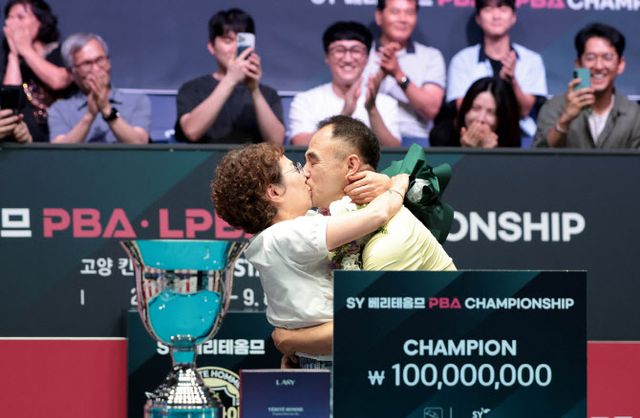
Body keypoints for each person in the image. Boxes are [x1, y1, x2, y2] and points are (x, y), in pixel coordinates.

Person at [271, 115, 456, 365]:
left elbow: (368, 329)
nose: (304, 173)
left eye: (313, 162)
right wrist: (305, 354)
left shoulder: (389, 239)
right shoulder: (323, 225)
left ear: (351, 166)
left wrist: (291, 340)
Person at [211, 141, 409, 368]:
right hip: (337, 363)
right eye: (295, 168)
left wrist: (296, 344)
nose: (305, 173)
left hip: (318, 358)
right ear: (274, 192)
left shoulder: (274, 237)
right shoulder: (288, 235)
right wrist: (398, 184)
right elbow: (377, 215)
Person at [175, 8, 284, 145]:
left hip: (252, 159)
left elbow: (276, 143)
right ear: (212, 46)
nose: (235, 49)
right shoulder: (193, 89)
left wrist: (254, 90)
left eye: (241, 42)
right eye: (228, 41)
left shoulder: (268, 94)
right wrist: (230, 79)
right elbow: (192, 131)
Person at [289, 21, 401, 147]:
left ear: (367, 58)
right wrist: (344, 114)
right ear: (327, 56)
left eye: (356, 50)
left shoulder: (386, 103)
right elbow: (300, 146)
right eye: (339, 50)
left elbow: (394, 151)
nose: (348, 59)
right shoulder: (306, 101)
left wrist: (372, 109)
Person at [446, 0, 547, 139]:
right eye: (488, 9)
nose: (496, 16)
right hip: (476, 131)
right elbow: (463, 108)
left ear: (513, 17)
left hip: (519, 135)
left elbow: (524, 110)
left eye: (502, 8)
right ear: (478, 18)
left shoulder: (531, 60)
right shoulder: (462, 60)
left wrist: (512, 81)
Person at [533, 23, 640, 149]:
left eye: (607, 57)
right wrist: (565, 120)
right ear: (578, 64)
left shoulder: (634, 114)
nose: (599, 66)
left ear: (620, 65)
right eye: (590, 57)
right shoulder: (554, 107)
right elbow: (539, 156)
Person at [365, 0, 446, 145]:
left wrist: (398, 73)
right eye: (395, 12)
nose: (403, 19)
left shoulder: (430, 56)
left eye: (409, 12)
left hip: (414, 137)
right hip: (367, 134)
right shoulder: (361, 54)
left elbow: (431, 109)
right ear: (379, 16)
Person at [48, 33, 150, 144]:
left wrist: (107, 109)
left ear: (109, 62)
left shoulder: (136, 101)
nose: (96, 69)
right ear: (72, 72)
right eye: (87, 64)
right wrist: (89, 116)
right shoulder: (60, 109)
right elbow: (59, 149)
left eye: (100, 60)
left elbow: (140, 143)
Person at [1, 0, 73, 142]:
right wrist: (14, 54)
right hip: (25, 141)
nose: (13, 24)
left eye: (20, 17)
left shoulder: (60, 52)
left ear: (41, 21)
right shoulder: (5, 58)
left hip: (62, 140)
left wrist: (25, 49)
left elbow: (58, 81)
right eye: (9, 18)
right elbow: (10, 101)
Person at [430, 77, 521, 147]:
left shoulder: (510, 140)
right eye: (476, 108)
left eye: (491, 112)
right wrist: (466, 152)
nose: (481, 119)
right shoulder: (443, 136)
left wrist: (490, 155)